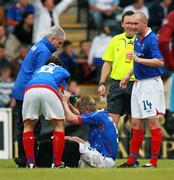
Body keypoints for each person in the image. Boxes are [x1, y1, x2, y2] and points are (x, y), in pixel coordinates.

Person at [12, 25, 65, 167]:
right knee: (32, 125)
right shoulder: (44, 51)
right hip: (29, 89)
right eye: (59, 43)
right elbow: (42, 73)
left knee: (25, 124)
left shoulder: (38, 46)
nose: (59, 47)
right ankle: (27, 159)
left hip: (22, 88)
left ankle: (25, 159)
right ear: (52, 38)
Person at [118, 12, 165, 168]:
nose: (132, 26)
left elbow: (159, 62)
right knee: (135, 123)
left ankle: (153, 162)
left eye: (136, 24)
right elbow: (138, 62)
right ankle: (131, 161)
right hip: (138, 83)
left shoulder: (153, 39)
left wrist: (138, 59)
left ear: (145, 24)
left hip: (150, 84)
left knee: (152, 122)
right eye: (130, 23)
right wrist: (127, 75)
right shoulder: (138, 38)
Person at [22, 56, 70, 168]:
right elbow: (60, 90)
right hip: (49, 89)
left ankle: (30, 163)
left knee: (28, 126)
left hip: (30, 89)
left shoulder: (38, 70)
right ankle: (57, 163)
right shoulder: (61, 70)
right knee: (59, 125)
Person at [62, 92, 119, 168]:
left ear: (87, 109)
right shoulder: (100, 114)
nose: (81, 114)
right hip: (103, 157)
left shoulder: (96, 116)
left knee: (75, 145)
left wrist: (64, 102)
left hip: (104, 159)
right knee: (74, 139)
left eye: (81, 111)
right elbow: (79, 114)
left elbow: (70, 119)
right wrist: (69, 104)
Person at [98, 11, 136, 124]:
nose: (130, 25)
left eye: (133, 23)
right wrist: (102, 83)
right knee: (111, 122)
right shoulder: (115, 40)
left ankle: (132, 142)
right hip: (116, 85)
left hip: (135, 84)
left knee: (135, 123)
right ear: (122, 24)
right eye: (127, 22)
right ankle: (112, 142)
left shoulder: (142, 40)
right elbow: (107, 63)